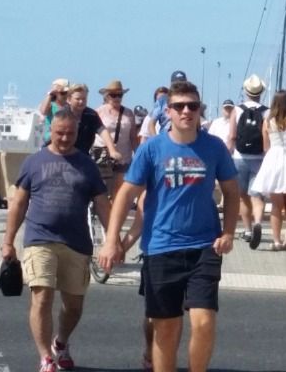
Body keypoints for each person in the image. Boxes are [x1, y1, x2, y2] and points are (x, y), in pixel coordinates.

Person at [99, 80, 239, 372]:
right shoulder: (152, 149)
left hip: (204, 246)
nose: (186, 111)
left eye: (193, 105)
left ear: (200, 110)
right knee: (166, 329)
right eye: (179, 106)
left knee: (203, 323)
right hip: (161, 247)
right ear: (168, 111)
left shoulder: (213, 147)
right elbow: (126, 194)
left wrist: (228, 233)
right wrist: (112, 240)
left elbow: (231, 191)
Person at [0, 110, 111, 372]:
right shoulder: (34, 162)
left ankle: (60, 342)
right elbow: (18, 203)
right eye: (59, 133)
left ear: (77, 132)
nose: (64, 138)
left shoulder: (87, 165)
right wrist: (8, 241)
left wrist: (112, 241)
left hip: (77, 243)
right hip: (40, 239)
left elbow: (102, 205)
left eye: (70, 134)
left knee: (73, 305)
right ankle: (45, 358)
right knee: (42, 297)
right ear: (51, 131)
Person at [249, 90, 286, 251]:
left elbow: (266, 147)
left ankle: (276, 241)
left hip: (274, 160)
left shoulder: (268, 122)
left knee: (276, 205)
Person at [229, 75, 269, 248]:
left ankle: (247, 230)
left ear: (246, 91)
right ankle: (258, 222)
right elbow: (268, 137)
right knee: (257, 195)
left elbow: (232, 136)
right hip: (260, 158)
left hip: (240, 157)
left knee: (243, 196)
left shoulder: (237, 111)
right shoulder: (267, 112)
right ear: (261, 92)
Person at [92, 80, 137, 200]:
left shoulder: (129, 113)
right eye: (113, 95)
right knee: (104, 188)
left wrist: (138, 154)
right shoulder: (99, 111)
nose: (117, 98)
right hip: (103, 154)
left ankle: (114, 214)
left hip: (123, 155)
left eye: (119, 95)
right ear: (107, 96)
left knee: (119, 190)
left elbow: (133, 136)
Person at [65, 83, 123, 161]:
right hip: (65, 156)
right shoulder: (62, 115)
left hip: (83, 156)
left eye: (84, 99)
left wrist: (112, 150)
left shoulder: (91, 115)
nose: (81, 101)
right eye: (78, 99)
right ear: (69, 99)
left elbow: (103, 131)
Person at [38, 78, 70, 144]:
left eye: (66, 93)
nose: (65, 95)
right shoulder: (51, 105)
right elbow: (43, 111)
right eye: (62, 93)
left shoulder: (69, 107)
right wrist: (50, 95)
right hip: (50, 140)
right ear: (56, 94)